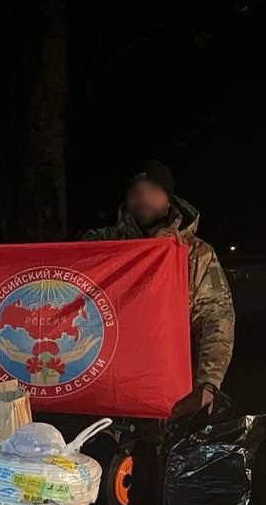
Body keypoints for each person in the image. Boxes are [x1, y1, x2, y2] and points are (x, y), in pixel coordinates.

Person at [82, 160, 234, 410]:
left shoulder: (196, 253)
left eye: (152, 190)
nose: (143, 197)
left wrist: (208, 383)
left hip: (169, 390)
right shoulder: (100, 244)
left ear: (168, 200)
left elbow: (216, 318)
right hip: (104, 389)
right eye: (135, 191)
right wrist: (148, 250)